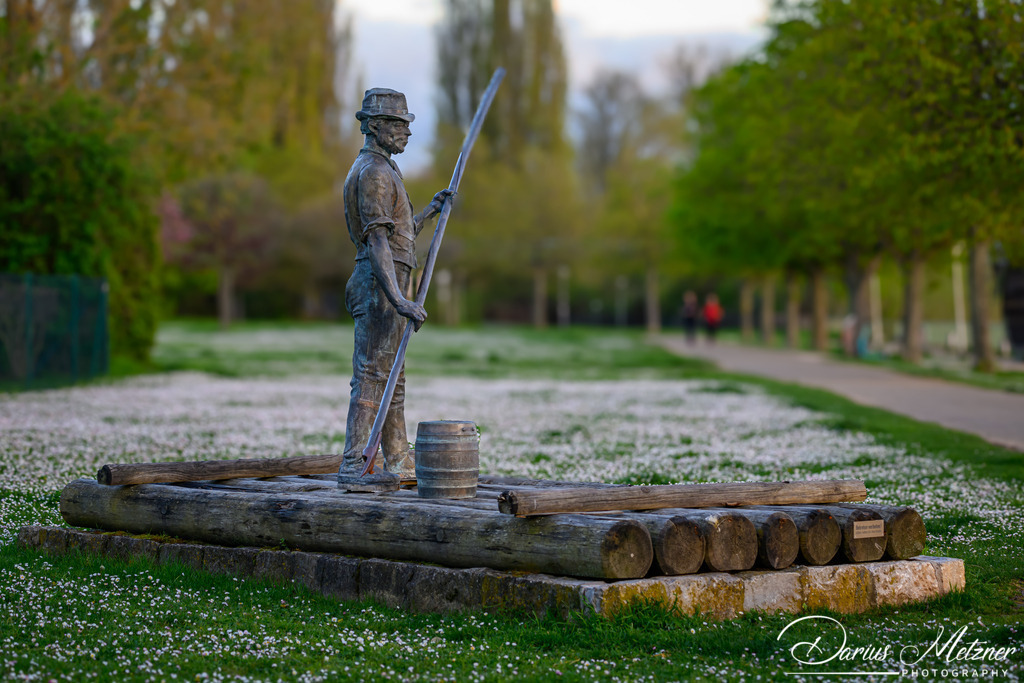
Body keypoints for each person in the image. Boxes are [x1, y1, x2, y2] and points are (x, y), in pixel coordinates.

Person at [338, 88, 452, 491]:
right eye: (397, 124)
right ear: (373, 127)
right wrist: (399, 299)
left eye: (406, 124)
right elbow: (378, 242)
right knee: (371, 377)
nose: (406, 132)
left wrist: (429, 213)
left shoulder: (383, 169)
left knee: (393, 379)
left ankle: (398, 458)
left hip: (388, 282)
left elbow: (400, 233)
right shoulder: (373, 173)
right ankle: (354, 465)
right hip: (378, 284)